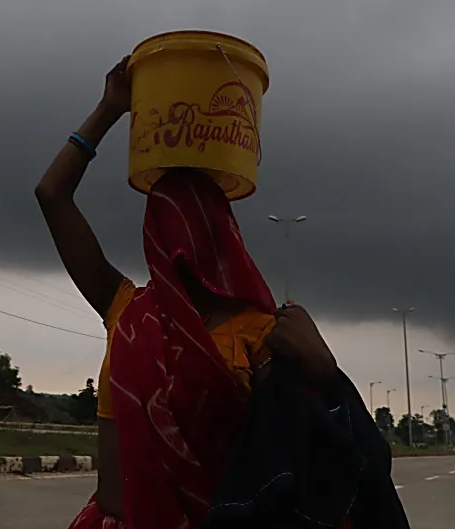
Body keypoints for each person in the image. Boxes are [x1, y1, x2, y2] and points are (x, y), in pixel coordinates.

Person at [35, 57, 341, 529]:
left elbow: (303, 461)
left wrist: (323, 373)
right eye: (171, 218)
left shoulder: (260, 336)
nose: (182, 239)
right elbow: (50, 194)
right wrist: (110, 107)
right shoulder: (137, 313)